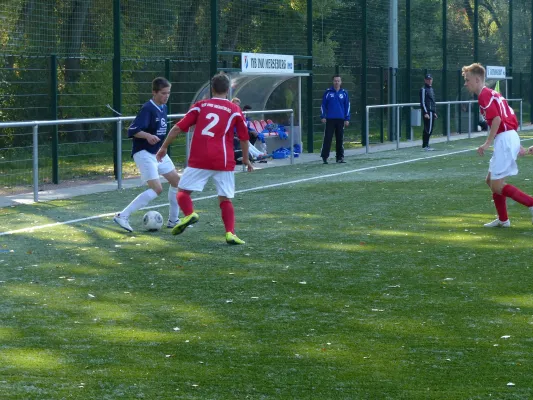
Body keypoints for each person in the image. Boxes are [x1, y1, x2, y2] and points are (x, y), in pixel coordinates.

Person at [156, 73, 253, 245]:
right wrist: (245, 159)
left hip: (200, 158)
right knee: (225, 198)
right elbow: (244, 138)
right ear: (228, 89)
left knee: (183, 191)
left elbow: (178, 128)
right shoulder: (234, 109)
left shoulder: (200, 106)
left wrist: (163, 147)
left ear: (212, 88)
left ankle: (189, 213)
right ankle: (230, 233)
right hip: (223, 160)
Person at [462, 63, 533, 227]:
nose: (466, 83)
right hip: (509, 136)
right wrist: (518, 146)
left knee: (497, 184)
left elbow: (497, 119)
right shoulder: (492, 93)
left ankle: (530, 202)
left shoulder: (483, 95)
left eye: (468, 80)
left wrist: (487, 143)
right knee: (490, 180)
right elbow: (507, 118)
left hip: (505, 138)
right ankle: (503, 219)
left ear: (478, 79)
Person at [113, 77, 181, 232]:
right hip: (144, 153)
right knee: (157, 189)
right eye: (163, 93)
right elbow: (133, 130)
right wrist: (148, 136)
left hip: (158, 153)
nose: (166, 96)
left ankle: (173, 220)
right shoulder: (147, 108)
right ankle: (122, 216)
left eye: (168, 93)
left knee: (177, 181)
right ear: (154, 92)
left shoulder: (163, 108)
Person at [320, 75, 350, 164]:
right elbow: (323, 105)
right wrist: (323, 116)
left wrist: (347, 118)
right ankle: (324, 157)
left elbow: (347, 106)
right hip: (330, 119)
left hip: (340, 119)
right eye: (335, 81)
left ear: (341, 82)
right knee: (328, 138)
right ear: (333, 82)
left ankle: (340, 157)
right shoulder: (328, 92)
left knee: (340, 138)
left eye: (338, 81)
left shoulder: (344, 93)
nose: (336, 82)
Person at [420, 73, 438, 151]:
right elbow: (423, 102)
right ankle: (425, 145)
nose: (429, 81)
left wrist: (434, 112)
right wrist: (425, 112)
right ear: (425, 80)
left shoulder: (431, 89)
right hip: (428, 112)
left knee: (430, 129)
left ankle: (426, 145)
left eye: (430, 79)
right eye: (427, 79)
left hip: (431, 112)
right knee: (428, 129)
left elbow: (432, 102)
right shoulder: (423, 89)